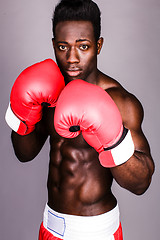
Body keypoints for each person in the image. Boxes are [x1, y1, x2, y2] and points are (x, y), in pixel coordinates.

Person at [5, 0, 155, 239]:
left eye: (83, 46)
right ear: (54, 45)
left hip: (95, 232)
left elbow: (141, 183)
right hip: (50, 226)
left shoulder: (119, 101)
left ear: (98, 45)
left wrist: (112, 138)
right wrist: (23, 114)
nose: (72, 58)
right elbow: (24, 154)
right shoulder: (48, 92)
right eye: (63, 47)